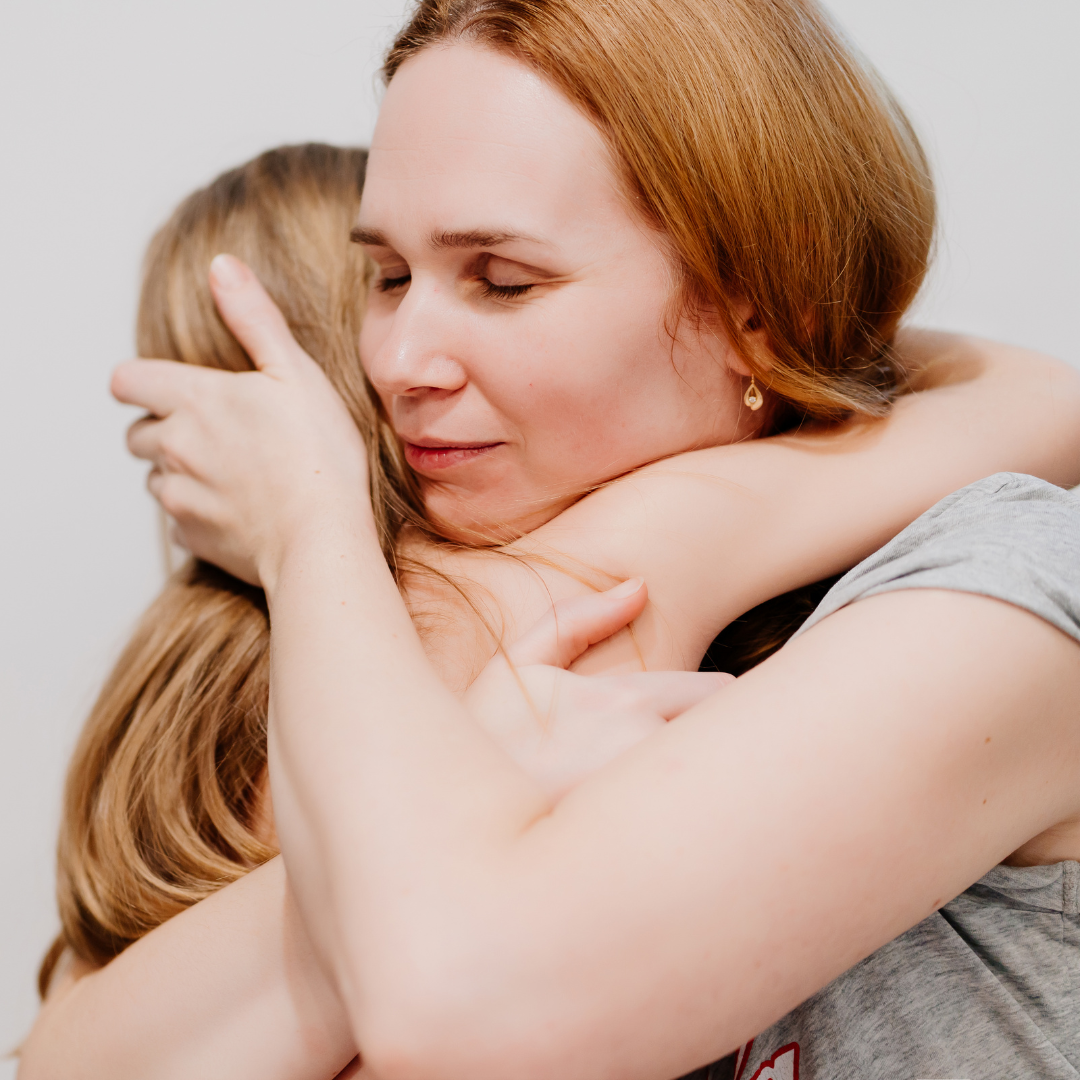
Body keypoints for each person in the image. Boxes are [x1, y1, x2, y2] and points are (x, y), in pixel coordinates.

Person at [19, 2, 1080, 1078]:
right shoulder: (413, 632)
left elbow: (457, 1009)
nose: (396, 363)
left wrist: (308, 521)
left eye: (505, 281)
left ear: (760, 300)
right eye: (386, 277)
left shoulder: (998, 593)